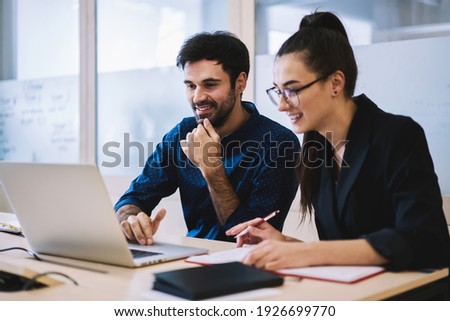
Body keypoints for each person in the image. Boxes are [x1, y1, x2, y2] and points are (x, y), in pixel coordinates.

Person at [226, 11, 450, 271]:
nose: (282, 105)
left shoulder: (397, 135)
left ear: (335, 83)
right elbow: (341, 250)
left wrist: (308, 252)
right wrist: (282, 243)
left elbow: (424, 240)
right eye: (278, 91)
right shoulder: (317, 150)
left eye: (292, 90)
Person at [115, 31, 300, 245]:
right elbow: (133, 197)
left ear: (240, 83)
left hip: (248, 264)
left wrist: (211, 169)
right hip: (190, 259)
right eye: (191, 85)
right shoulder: (182, 133)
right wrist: (130, 219)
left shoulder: (279, 144)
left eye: (210, 85)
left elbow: (252, 238)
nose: (197, 97)